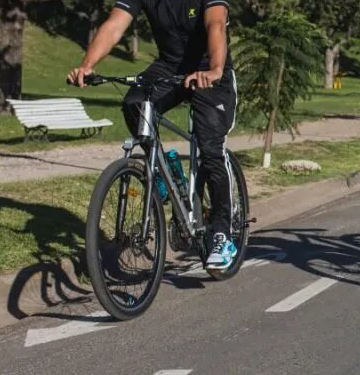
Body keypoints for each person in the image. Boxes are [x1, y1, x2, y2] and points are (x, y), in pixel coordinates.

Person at [67, 0, 239, 271]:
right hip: (169, 67)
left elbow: (215, 24)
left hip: (210, 70)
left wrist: (216, 69)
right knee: (134, 103)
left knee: (210, 148)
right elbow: (114, 26)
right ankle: (160, 171)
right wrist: (87, 64)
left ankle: (221, 234)